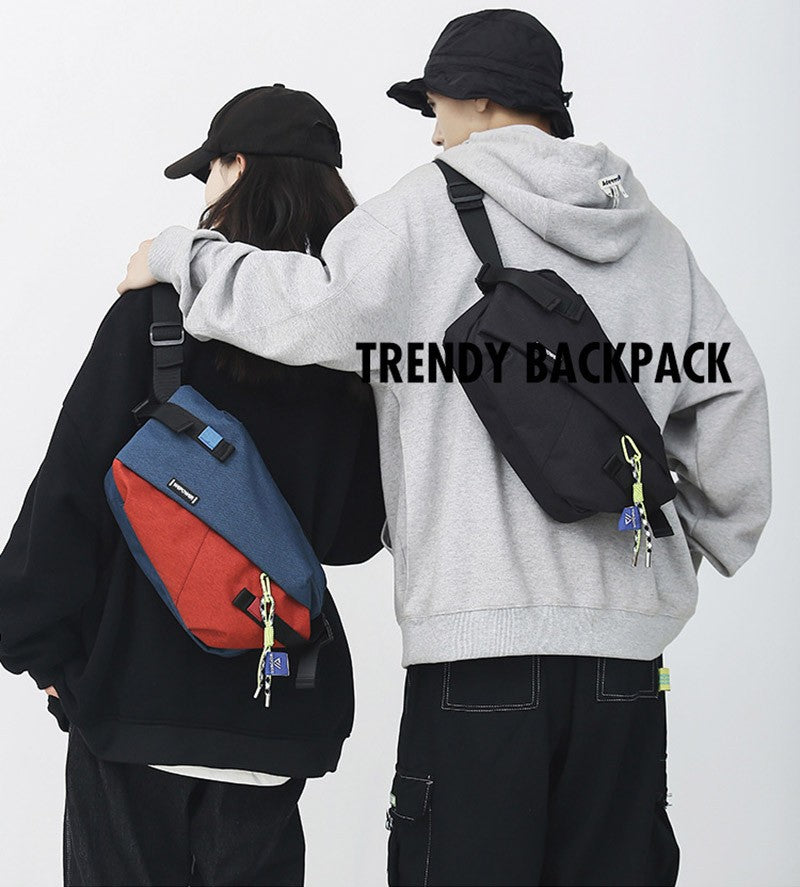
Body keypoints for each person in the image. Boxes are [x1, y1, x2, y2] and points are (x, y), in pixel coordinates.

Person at [119, 10, 772, 887]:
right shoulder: (653, 237)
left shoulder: (426, 210)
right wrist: (697, 543)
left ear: (481, 100)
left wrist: (185, 256)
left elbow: (307, 306)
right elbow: (730, 392)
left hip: (478, 652)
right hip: (626, 662)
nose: (434, 131)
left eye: (437, 107)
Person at [0, 84, 386, 886]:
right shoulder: (348, 346)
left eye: (208, 172)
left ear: (236, 166)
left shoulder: (157, 318)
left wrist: (40, 648)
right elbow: (353, 534)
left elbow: (70, 488)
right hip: (274, 713)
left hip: (136, 705)